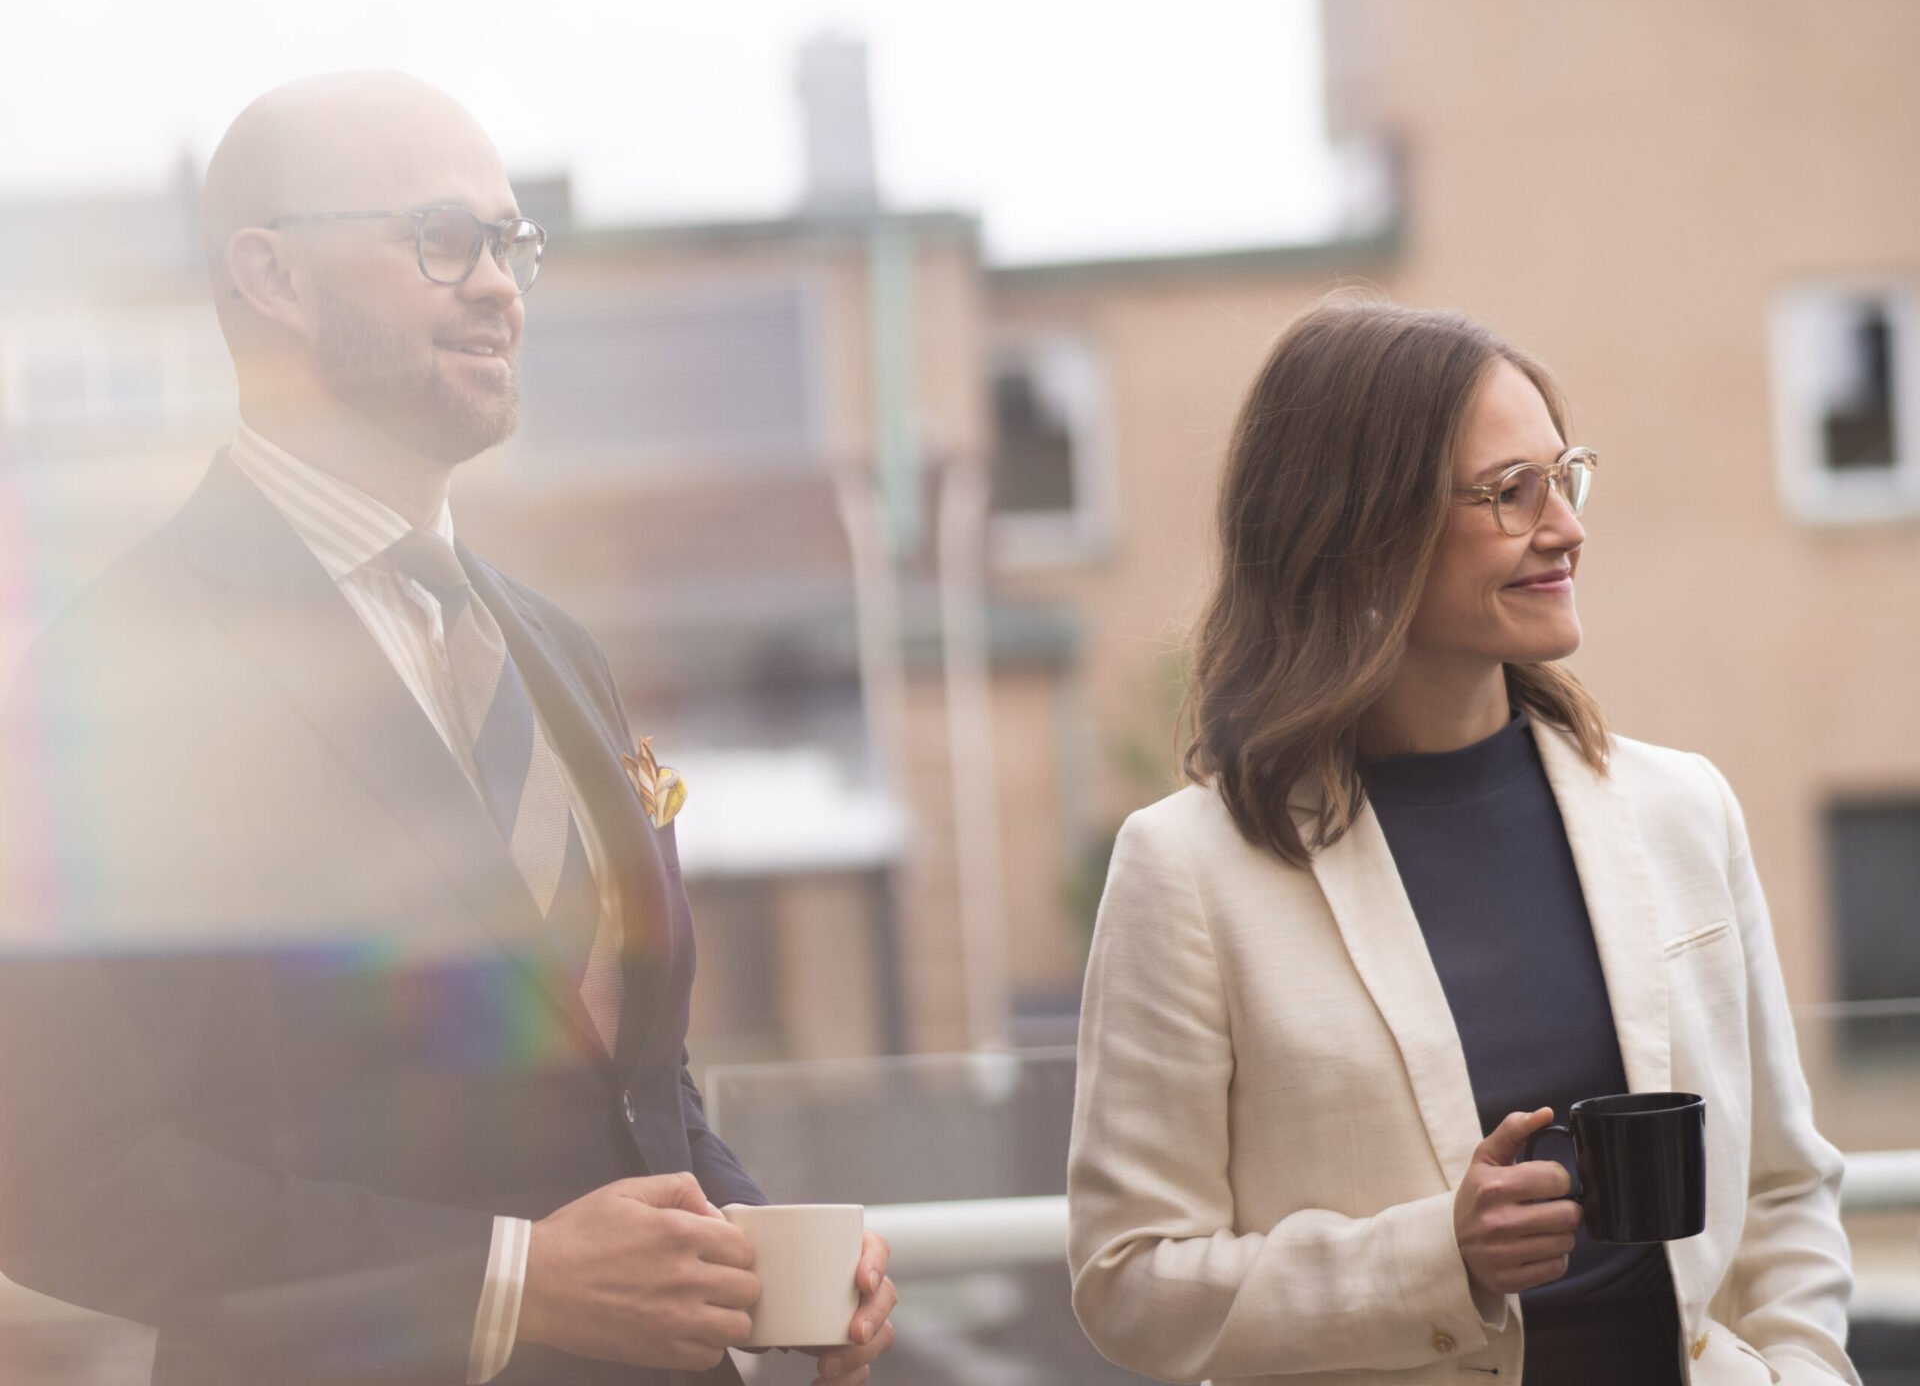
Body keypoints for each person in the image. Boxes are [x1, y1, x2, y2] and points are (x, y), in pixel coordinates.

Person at [0, 73, 897, 1386]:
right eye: (442, 241)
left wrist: (747, 1239)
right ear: (275, 277)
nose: (500, 287)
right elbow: (65, 1173)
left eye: (512, 244)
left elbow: (633, 1083)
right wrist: (506, 1286)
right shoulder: (104, 678)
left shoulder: (560, 652)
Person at [1066, 298, 1858, 1385]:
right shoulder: (1189, 871)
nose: (1566, 527)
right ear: (1358, 532)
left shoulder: (1685, 809)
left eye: (1564, 476)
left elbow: (1781, 1186)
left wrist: (1804, 1374)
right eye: (1509, 493)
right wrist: (1439, 1259)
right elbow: (1132, 1281)